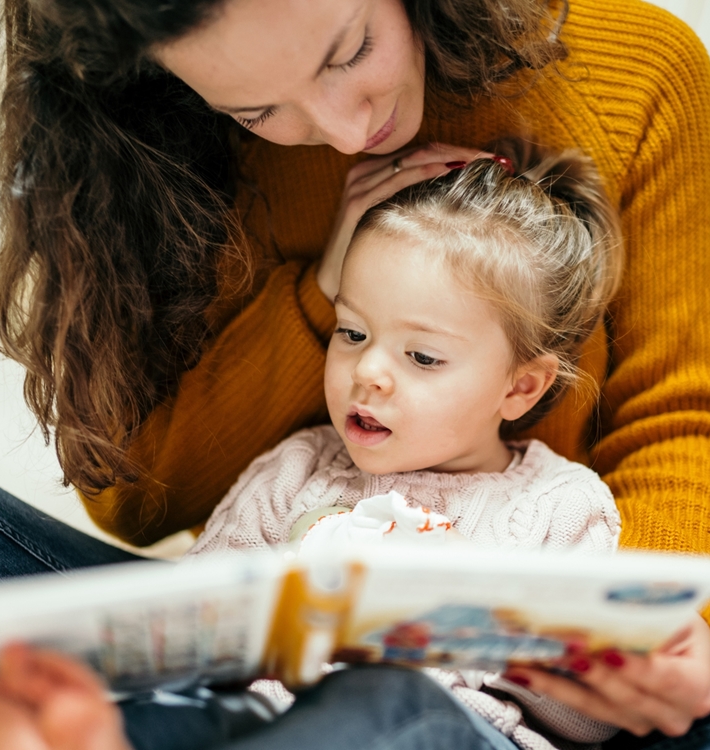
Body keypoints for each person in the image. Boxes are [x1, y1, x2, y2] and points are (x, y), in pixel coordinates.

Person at [0, 0, 710, 747]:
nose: (342, 130)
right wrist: (316, 297)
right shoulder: (155, 142)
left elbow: (673, 422)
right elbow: (140, 503)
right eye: (257, 107)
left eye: (350, 51)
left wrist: (651, 634)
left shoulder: (636, 75)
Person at [188, 146, 624, 749]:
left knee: (385, 695)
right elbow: (187, 627)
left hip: (445, 732)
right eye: (351, 332)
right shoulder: (299, 469)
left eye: (421, 357)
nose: (367, 370)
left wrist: (472, 629)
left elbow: (596, 718)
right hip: (269, 728)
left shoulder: (563, 507)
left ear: (520, 386)